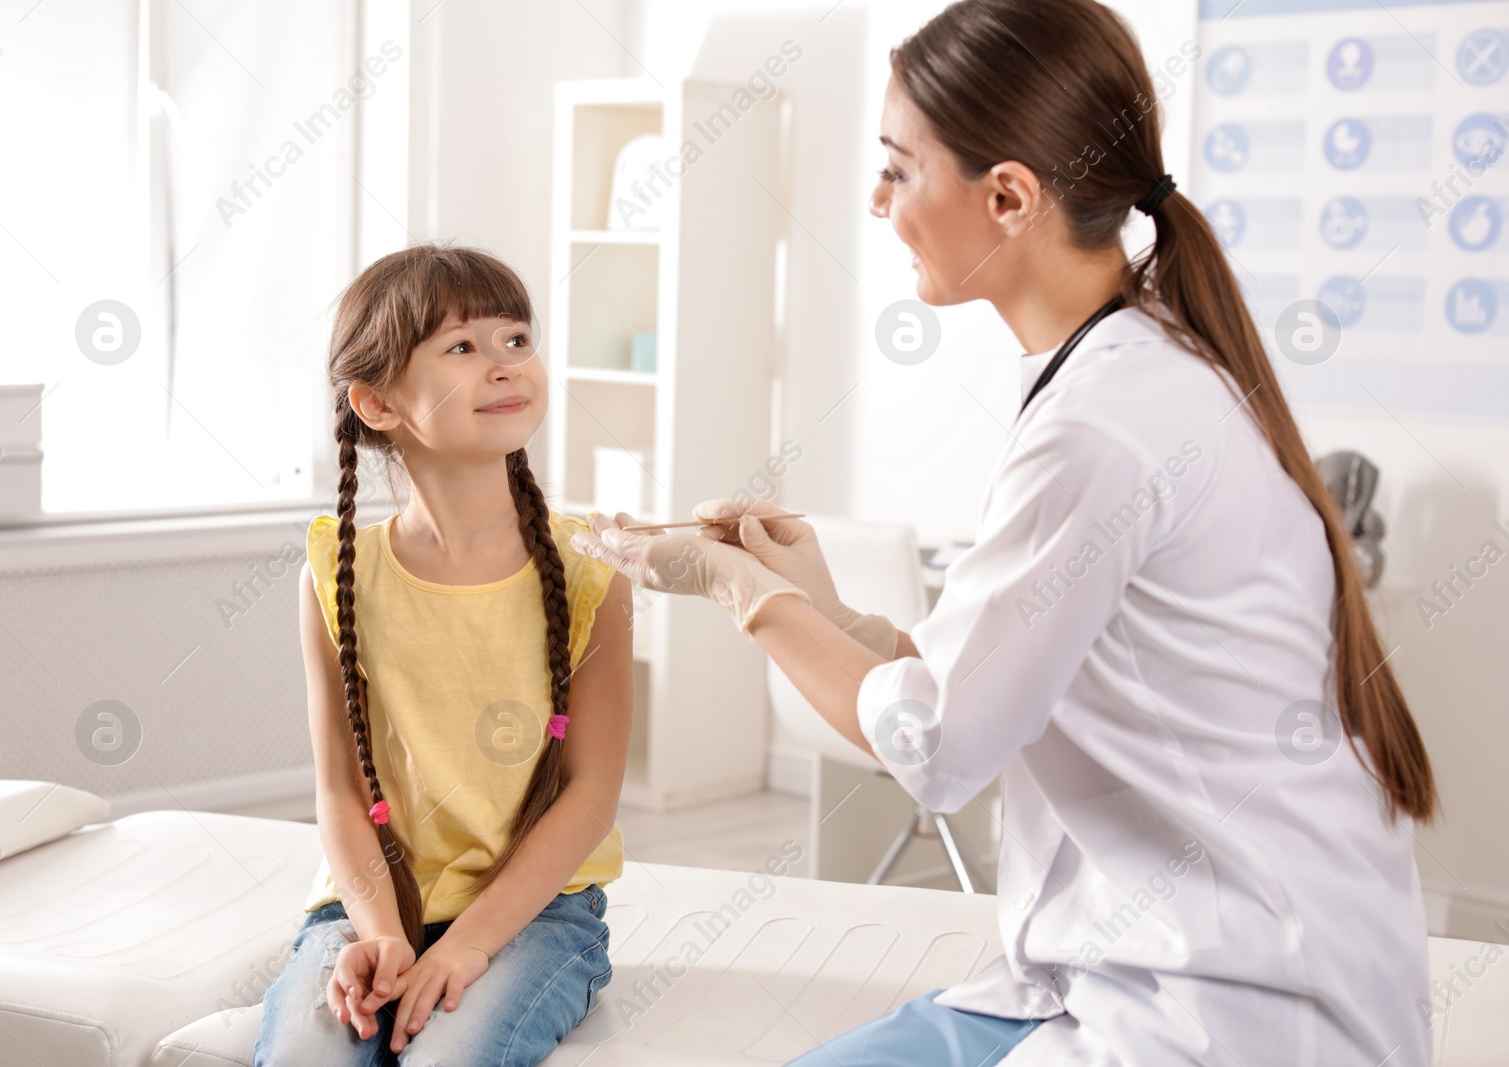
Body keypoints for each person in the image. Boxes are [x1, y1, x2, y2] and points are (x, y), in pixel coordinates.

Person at [571, 1, 1438, 1063]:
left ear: (1009, 195)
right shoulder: (1124, 366)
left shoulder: (1103, 423)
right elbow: (984, 679)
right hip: (1125, 968)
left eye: (898, 167)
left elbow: (939, 744)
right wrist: (833, 608)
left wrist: (737, 588)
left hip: (1224, 1009)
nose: (877, 200)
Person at [255, 245, 631, 1066]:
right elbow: (340, 793)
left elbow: (591, 794)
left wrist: (467, 944)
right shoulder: (335, 573)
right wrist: (383, 934)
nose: (504, 365)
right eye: (463, 347)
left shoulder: (592, 569)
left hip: (537, 915)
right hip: (365, 907)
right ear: (378, 401)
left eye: (516, 339)